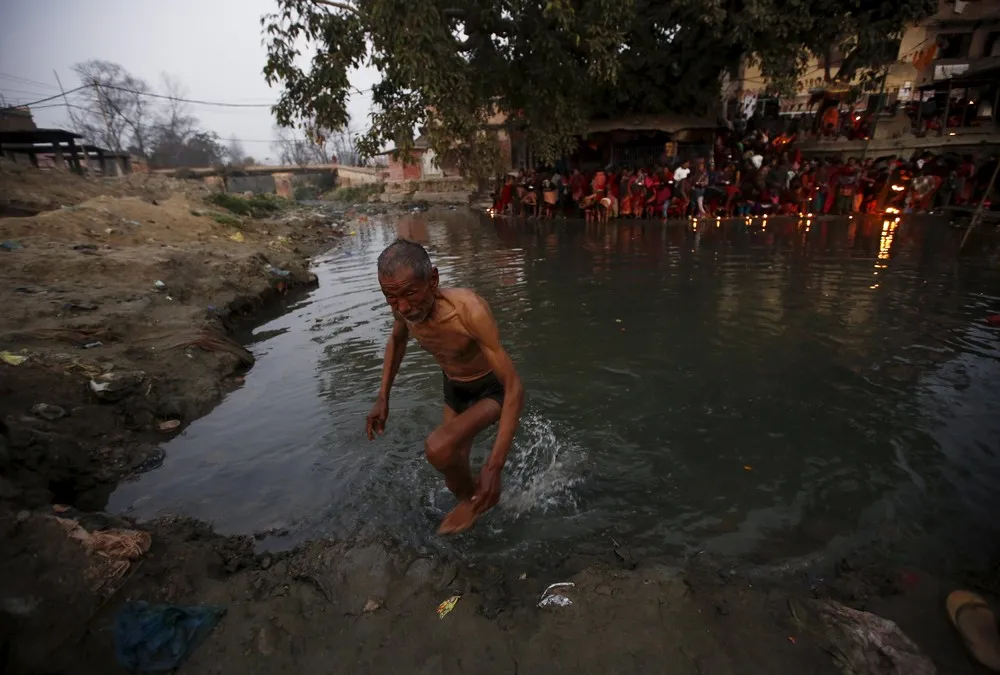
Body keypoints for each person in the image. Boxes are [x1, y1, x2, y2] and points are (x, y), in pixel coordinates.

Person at [367, 239, 524, 534]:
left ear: (434, 280)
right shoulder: (403, 306)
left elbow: (514, 386)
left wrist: (494, 466)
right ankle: (478, 505)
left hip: (491, 390)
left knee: (438, 448)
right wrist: (382, 397)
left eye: (410, 294)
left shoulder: (468, 310)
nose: (402, 307)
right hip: (453, 387)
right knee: (452, 469)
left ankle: (482, 499)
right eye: (391, 297)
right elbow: (397, 340)